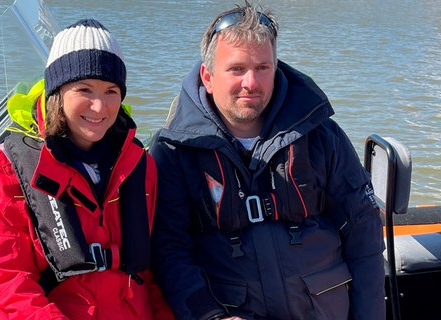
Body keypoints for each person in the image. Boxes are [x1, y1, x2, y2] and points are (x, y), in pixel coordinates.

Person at [148, 2, 385, 320]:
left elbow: (365, 237)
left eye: (262, 68)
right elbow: (169, 252)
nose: (251, 83)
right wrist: (208, 316)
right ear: (208, 76)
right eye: (236, 69)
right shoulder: (174, 151)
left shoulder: (321, 135)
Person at [0, 19, 172, 320]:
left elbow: (152, 273)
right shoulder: (4, 167)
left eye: (111, 91)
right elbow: (9, 280)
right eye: (84, 89)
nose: (99, 107)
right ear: (58, 91)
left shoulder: (141, 164)